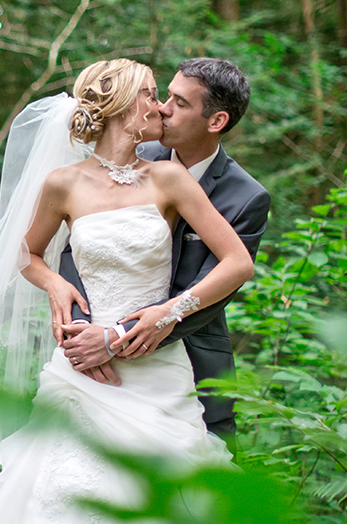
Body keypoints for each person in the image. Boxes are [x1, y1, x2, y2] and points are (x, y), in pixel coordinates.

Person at [0, 58, 255, 523]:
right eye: (153, 94)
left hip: (157, 363)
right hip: (81, 365)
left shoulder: (168, 177)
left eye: (173, 99)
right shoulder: (63, 183)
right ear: (123, 107)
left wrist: (169, 313)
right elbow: (24, 253)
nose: (161, 105)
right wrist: (56, 285)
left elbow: (238, 262)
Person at [58, 58, 271, 445]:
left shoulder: (246, 197)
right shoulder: (129, 153)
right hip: (93, 348)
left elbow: (219, 281)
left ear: (216, 121)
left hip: (188, 354)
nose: (162, 108)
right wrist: (82, 330)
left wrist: (116, 338)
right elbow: (78, 246)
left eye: (180, 103)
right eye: (163, 95)